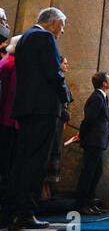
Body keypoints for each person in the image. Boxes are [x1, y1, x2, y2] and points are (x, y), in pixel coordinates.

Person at [0, 7, 69, 230]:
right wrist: (66, 95)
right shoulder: (44, 37)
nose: (62, 31)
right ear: (52, 22)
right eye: (62, 25)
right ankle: (26, 214)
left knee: (21, 163)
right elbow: (54, 73)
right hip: (43, 110)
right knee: (36, 164)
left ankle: (12, 213)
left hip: (26, 111)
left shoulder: (26, 38)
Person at [76, 72, 109, 215]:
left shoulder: (103, 97)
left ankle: (90, 202)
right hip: (93, 141)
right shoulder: (97, 98)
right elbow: (88, 120)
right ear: (104, 83)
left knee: (97, 172)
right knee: (88, 173)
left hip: (98, 141)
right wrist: (81, 135)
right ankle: (81, 205)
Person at [42, 56, 73, 200]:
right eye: (64, 63)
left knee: (55, 153)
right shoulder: (53, 80)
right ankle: (42, 191)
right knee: (48, 154)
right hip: (53, 122)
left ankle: (47, 190)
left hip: (60, 123)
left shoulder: (63, 81)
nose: (67, 66)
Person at [0, 35, 20, 192]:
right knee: (7, 161)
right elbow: (14, 92)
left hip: (5, 115)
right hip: (9, 118)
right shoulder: (14, 64)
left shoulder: (6, 61)